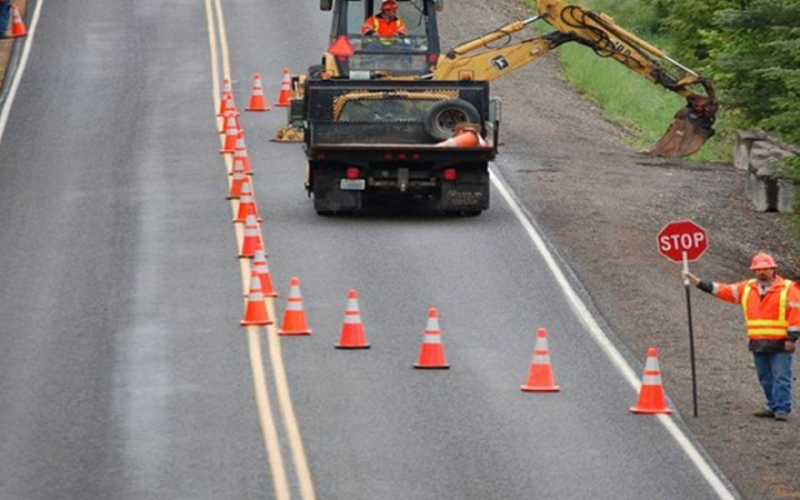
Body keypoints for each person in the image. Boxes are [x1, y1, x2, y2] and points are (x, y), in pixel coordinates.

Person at [682, 252, 800, 421]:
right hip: (758, 341)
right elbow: (723, 290)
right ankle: (773, 405)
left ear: (773, 269)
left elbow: (796, 313)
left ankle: (782, 408)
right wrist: (697, 282)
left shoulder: (788, 288)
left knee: (781, 376)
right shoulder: (747, 287)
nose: (761, 272)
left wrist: (792, 338)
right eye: (758, 269)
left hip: (781, 342)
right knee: (765, 377)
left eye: (765, 268)